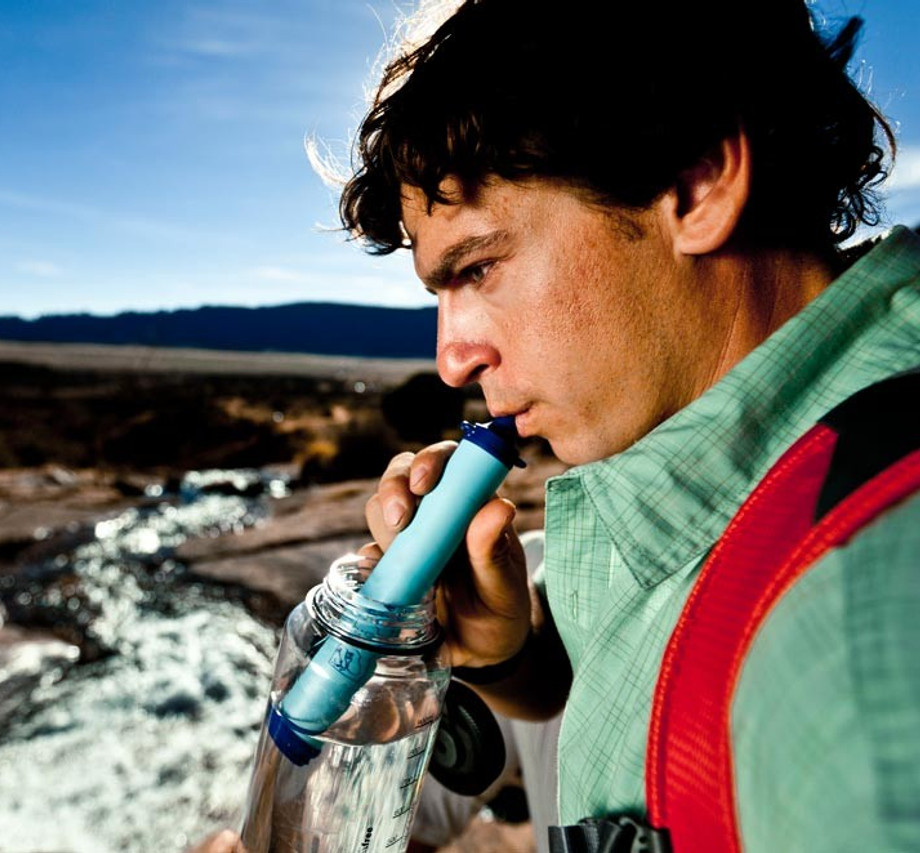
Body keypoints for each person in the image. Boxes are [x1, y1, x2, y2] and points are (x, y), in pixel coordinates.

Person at [348, 0, 918, 850]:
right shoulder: (689, 454)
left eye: (479, 266)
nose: (452, 358)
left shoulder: (868, 625)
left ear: (694, 184)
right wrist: (509, 655)